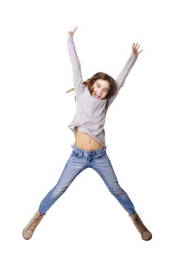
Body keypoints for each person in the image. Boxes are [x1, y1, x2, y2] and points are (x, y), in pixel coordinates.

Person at [22, 26, 152, 241]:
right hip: (78, 156)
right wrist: (70, 37)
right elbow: (75, 64)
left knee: (117, 189)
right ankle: (35, 219)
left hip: (100, 156)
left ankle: (136, 220)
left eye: (105, 90)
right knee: (58, 189)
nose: (101, 91)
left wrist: (133, 57)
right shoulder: (82, 92)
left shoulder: (107, 102)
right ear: (92, 84)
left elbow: (122, 78)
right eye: (99, 86)